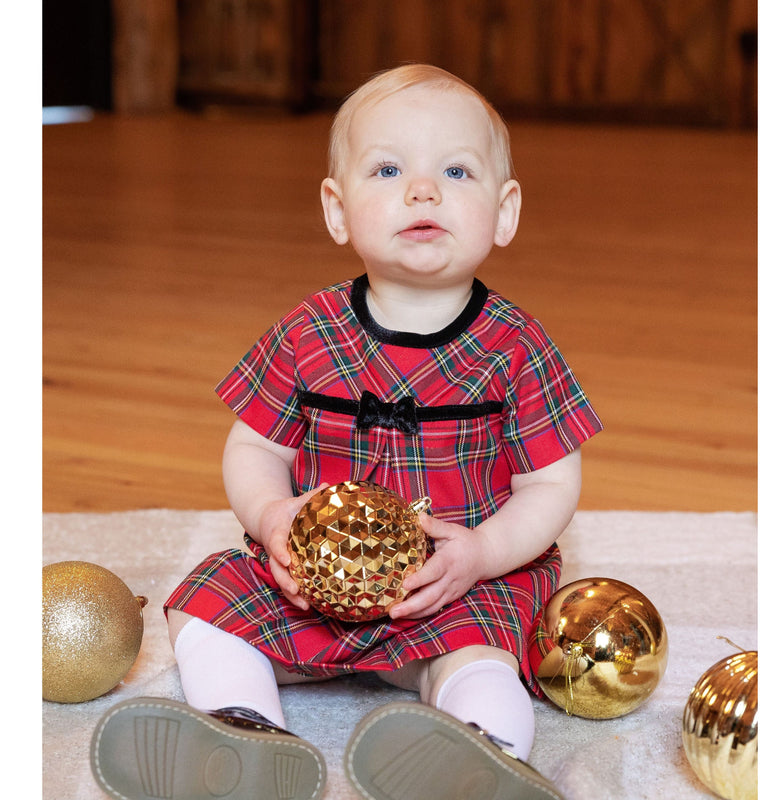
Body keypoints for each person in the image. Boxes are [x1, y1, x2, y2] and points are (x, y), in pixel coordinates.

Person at [91, 63, 602, 800]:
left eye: (456, 171)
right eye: (389, 168)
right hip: (311, 586)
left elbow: (551, 482)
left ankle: (475, 757)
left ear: (504, 211)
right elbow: (254, 447)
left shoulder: (516, 346)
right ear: (337, 210)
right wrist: (271, 517)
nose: (422, 190)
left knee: (485, 658)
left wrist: (486, 551)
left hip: (449, 587)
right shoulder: (309, 332)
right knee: (206, 603)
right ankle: (243, 739)